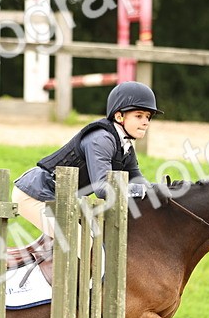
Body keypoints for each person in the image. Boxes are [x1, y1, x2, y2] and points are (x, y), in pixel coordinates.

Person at [12, 81, 161, 237]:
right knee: (82, 242)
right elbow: (102, 188)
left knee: (86, 240)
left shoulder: (125, 146)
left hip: (60, 200)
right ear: (119, 116)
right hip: (34, 195)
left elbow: (136, 179)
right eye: (139, 116)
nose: (146, 122)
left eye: (148, 117)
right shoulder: (101, 139)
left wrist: (159, 190)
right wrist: (143, 191)